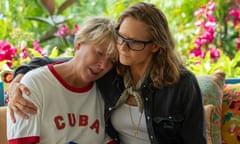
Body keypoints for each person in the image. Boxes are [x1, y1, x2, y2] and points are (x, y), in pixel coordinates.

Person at [7, 2, 207, 144]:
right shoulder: (113, 73)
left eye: (134, 42)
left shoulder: (181, 83)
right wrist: (19, 78)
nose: (123, 47)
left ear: (155, 46)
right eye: (121, 37)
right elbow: (64, 64)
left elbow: (195, 140)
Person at [6, 16, 118, 144]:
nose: (103, 65)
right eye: (100, 53)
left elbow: (103, 138)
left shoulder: (103, 89)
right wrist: (18, 78)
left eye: (112, 61)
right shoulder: (33, 85)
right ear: (78, 44)